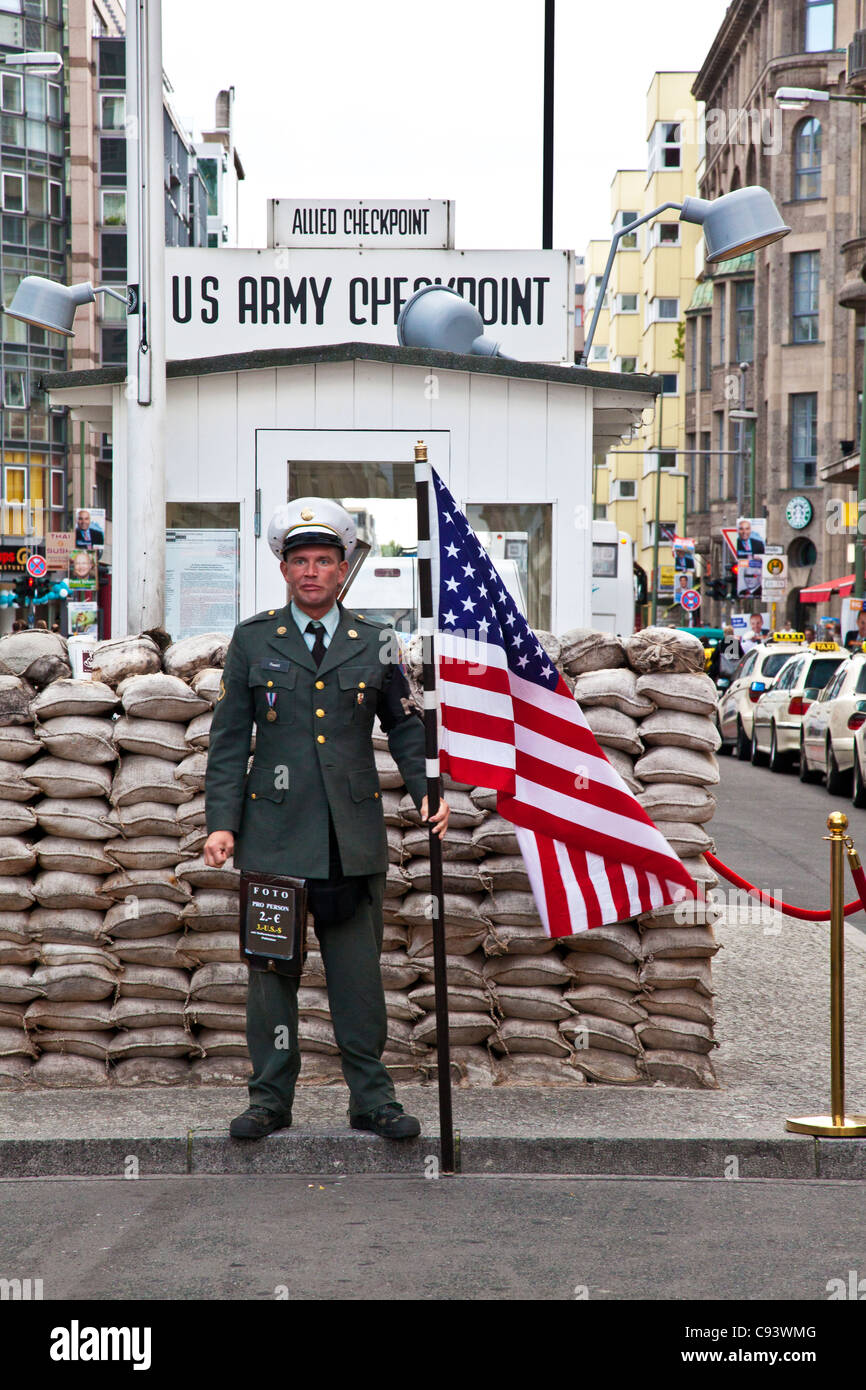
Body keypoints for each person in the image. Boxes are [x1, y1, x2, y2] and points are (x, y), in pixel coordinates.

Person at [204, 497, 449, 1143]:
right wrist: (222, 823)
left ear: (344, 569)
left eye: (324, 561)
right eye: (299, 561)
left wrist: (426, 788)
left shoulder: (377, 640)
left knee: (357, 978)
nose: (311, 572)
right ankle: (269, 1100)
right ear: (284, 569)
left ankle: (372, 1100)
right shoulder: (255, 639)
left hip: (351, 838)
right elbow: (230, 741)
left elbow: (405, 723)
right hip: (275, 837)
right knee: (271, 976)